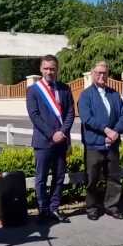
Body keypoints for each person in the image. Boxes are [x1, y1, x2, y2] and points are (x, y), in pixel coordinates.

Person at [26, 54, 75, 223]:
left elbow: (70, 113)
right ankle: (43, 210)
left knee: (59, 177)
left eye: (52, 69)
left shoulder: (64, 88)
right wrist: (51, 134)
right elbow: (34, 115)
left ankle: (54, 209)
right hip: (43, 142)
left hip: (61, 141)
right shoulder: (33, 90)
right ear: (40, 69)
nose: (49, 72)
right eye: (46, 68)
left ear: (57, 69)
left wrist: (62, 132)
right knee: (40, 178)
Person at [78, 61, 123, 220]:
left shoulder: (114, 94)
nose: (101, 76)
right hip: (94, 144)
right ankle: (92, 208)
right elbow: (87, 118)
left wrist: (116, 132)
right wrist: (107, 130)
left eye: (104, 73)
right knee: (92, 179)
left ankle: (111, 206)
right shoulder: (86, 95)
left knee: (114, 177)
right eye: (98, 73)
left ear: (108, 75)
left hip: (112, 144)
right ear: (92, 74)